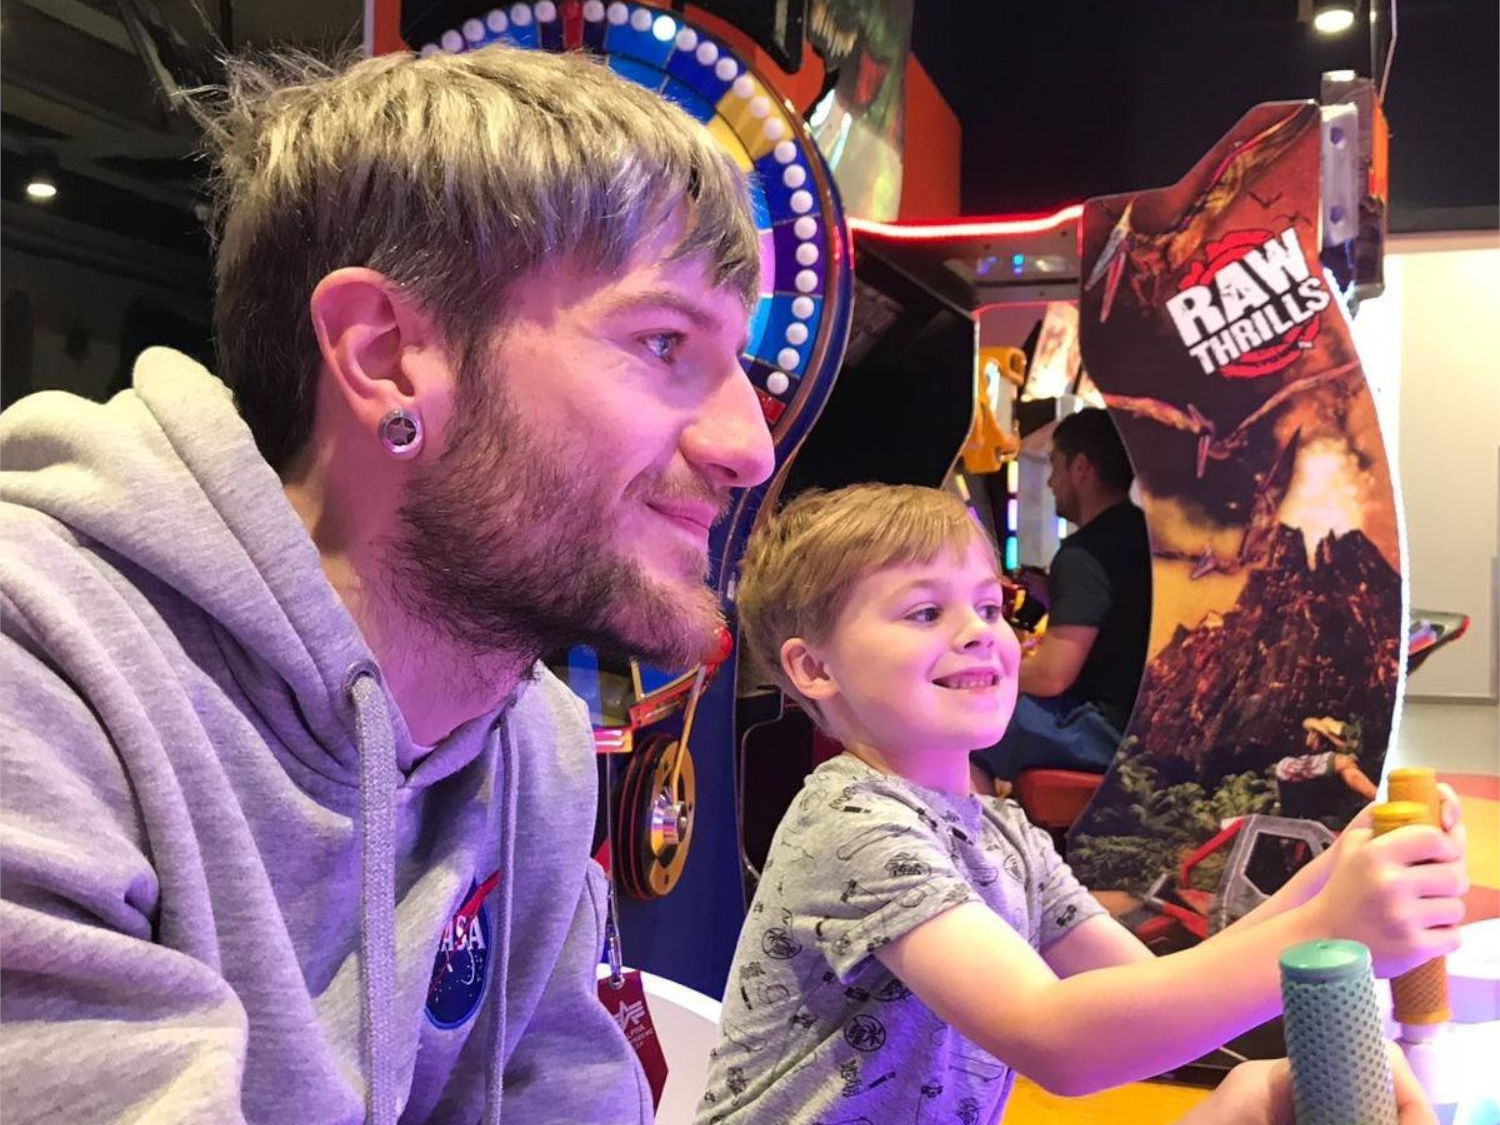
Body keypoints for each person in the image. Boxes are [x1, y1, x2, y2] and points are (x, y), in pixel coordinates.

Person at [0, 45, 773, 1125]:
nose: (751, 448)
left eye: (737, 360)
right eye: (662, 342)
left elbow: (568, 1092)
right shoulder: (36, 668)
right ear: (385, 357)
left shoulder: (531, 744)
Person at [695, 482, 1465, 1125]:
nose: (979, 634)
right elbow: (1055, 1039)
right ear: (813, 667)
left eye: (990, 608)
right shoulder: (852, 824)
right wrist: (1331, 923)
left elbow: (1154, 990)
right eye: (926, 612)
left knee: (1255, 1096)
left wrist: (1341, 871)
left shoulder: (1004, 835)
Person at [974, 406, 1151, 789]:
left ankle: (981, 846)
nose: (1051, 482)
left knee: (970, 725)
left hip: (1108, 734)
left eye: (1055, 466)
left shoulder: (1083, 554)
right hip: (1144, 725)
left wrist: (979, 673)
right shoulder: (1145, 535)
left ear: (1081, 468)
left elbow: (1052, 676)